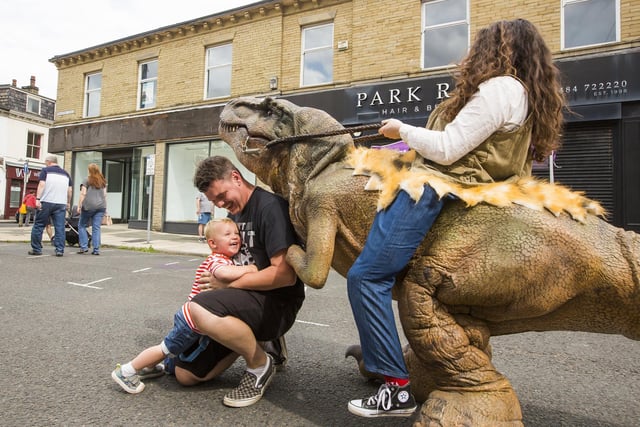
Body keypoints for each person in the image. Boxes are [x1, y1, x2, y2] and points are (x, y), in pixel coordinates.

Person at [346, 18, 566, 418]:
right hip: (480, 190)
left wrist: (400, 128)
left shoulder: (499, 89)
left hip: (434, 188)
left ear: (494, 51)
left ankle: (394, 387)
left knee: (367, 276)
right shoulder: (527, 94)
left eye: (478, 47)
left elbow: (448, 149)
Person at [173, 156, 305, 408]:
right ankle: (254, 340)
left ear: (235, 177)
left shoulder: (270, 208)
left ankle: (259, 365)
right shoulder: (235, 216)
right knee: (186, 374)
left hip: (276, 302)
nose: (221, 204)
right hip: (246, 299)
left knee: (198, 307)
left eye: (222, 196)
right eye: (215, 201)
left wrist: (227, 287)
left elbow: (285, 275)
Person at [111, 217, 258, 394]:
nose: (234, 237)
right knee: (165, 348)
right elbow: (224, 274)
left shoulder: (223, 258)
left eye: (236, 233)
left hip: (190, 316)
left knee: (176, 348)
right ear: (212, 243)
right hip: (192, 320)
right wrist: (251, 269)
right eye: (227, 234)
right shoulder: (218, 261)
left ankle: (150, 368)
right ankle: (127, 370)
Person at [29, 154, 72, 257]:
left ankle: (36, 249)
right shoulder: (66, 174)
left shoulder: (45, 170)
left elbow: (42, 184)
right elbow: (69, 190)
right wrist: (68, 202)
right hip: (61, 203)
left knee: (39, 225)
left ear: (48, 162)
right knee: (60, 227)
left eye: (45, 162)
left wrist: (38, 199)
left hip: (46, 202)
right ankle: (59, 250)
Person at [76, 163, 107, 255]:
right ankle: (96, 249)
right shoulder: (103, 181)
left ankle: (84, 246)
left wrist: (79, 205)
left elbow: (83, 193)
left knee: (81, 225)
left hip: (89, 206)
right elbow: (105, 195)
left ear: (89, 171)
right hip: (101, 206)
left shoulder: (86, 180)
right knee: (96, 228)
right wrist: (106, 209)